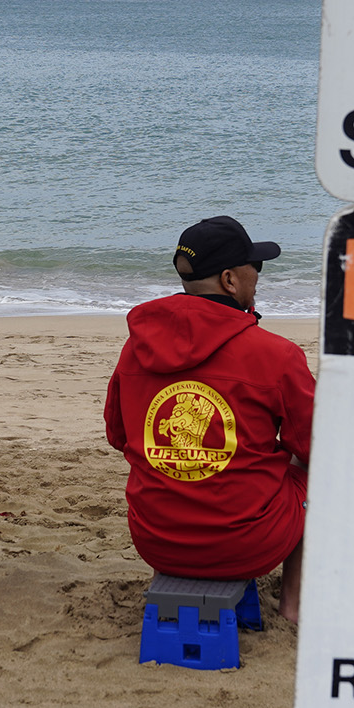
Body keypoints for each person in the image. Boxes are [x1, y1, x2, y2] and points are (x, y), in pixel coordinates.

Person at [104, 216, 314, 623]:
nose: (259, 278)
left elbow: (119, 435)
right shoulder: (276, 355)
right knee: (314, 467)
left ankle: (179, 568)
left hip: (156, 540)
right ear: (230, 280)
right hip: (249, 544)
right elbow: (317, 446)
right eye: (257, 268)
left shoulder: (137, 350)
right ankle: (293, 605)